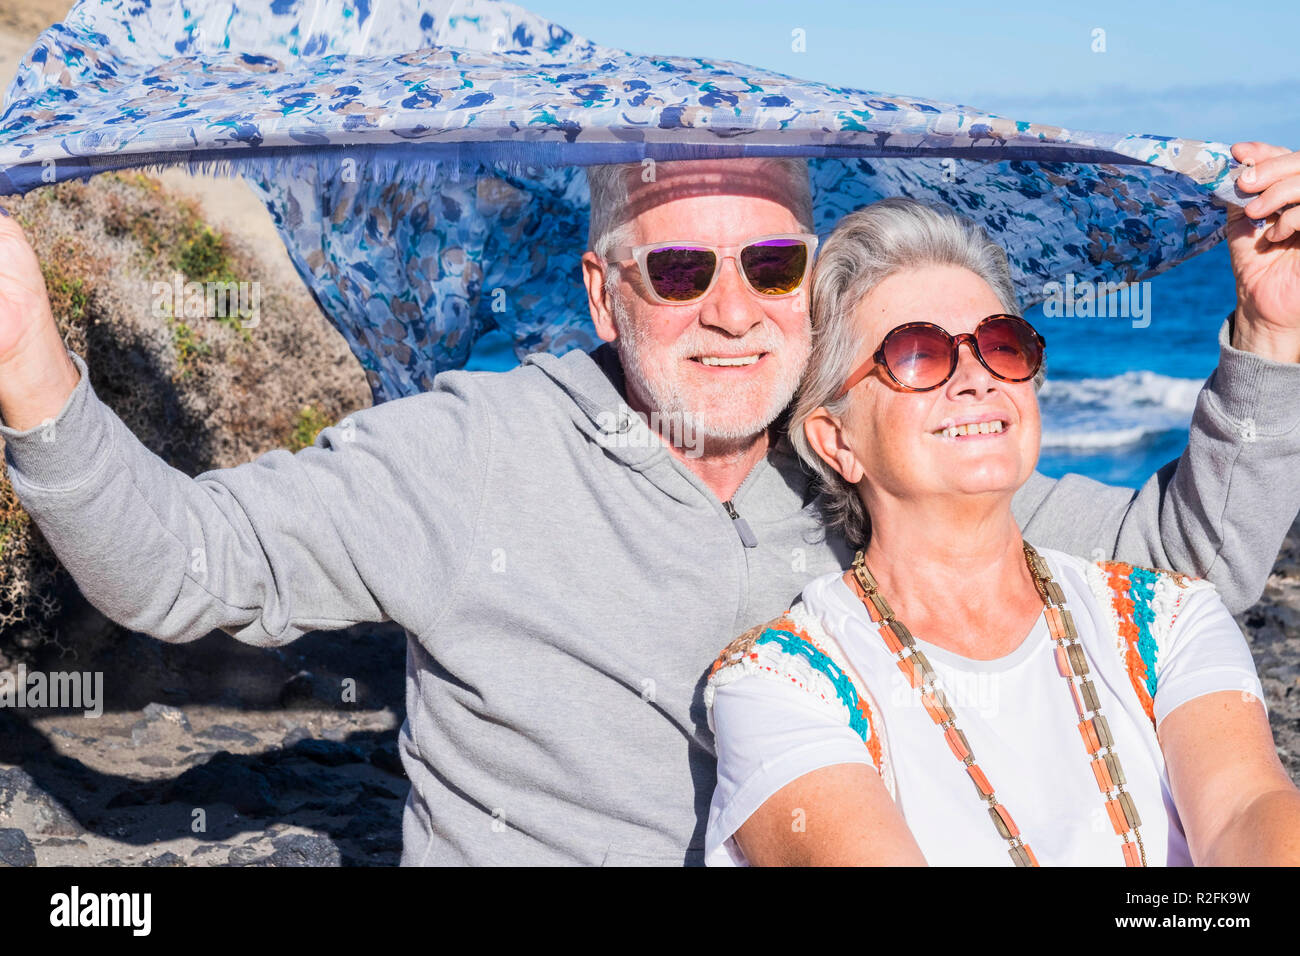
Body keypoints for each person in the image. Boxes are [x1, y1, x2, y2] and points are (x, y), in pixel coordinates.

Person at [0, 143, 1296, 865]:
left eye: (773, 264)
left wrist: (1266, 330)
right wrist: (28, 367)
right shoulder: (463, 454)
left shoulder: (863, 448)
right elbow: (179, 567)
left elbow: (1177, 570)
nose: (732, 309)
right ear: (607, 295)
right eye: (681, 269)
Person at [705, 195, 1300, 866]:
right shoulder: (784, 683)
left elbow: (1248, 812)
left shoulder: (1168, 618)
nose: (975, 378)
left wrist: (1273, 329)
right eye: (917, 353)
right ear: (836, 439)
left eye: (1000, 344)